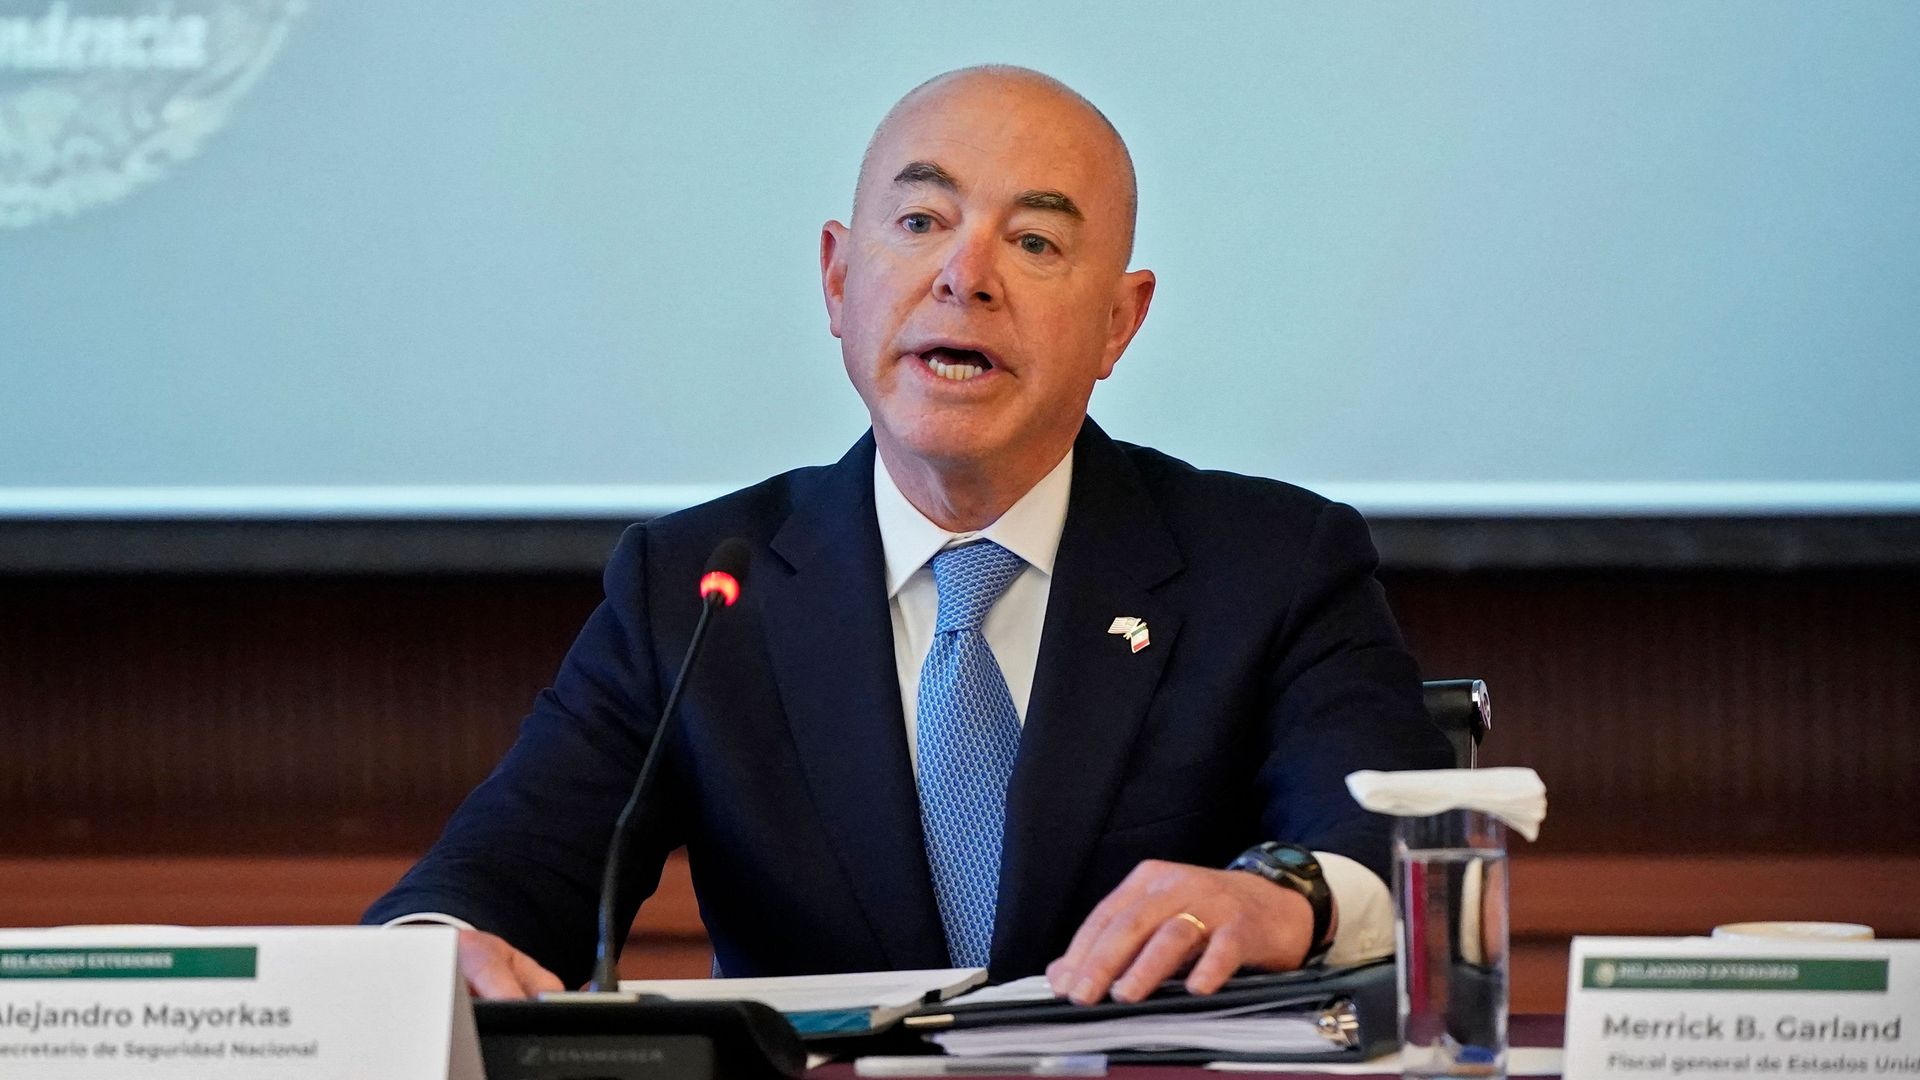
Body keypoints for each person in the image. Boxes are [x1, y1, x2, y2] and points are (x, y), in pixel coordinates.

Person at [365, 65, 1452, 1006]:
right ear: (839, 280)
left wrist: (1284, 900)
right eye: (922, 222)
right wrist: (434, 950)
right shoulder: (692, 589)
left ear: (1119, 323)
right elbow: (502, 874)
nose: (964, 276)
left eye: (1033, 241)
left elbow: (1393, 847)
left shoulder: (1271, 565)